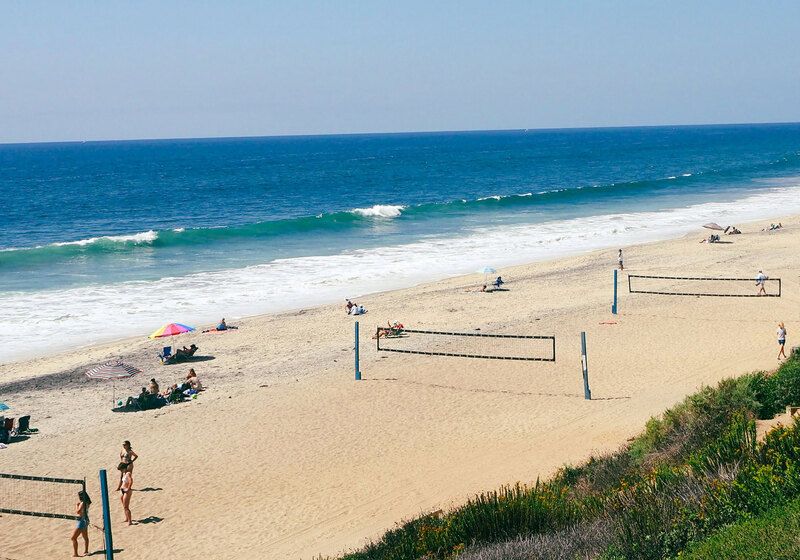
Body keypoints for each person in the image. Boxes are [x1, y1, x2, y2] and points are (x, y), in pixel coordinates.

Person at [70, 490, 91, 557]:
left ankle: (76, 554)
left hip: (81, 521)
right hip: (85, 519)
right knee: (85, 537)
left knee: (73, 538)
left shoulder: (82, 503)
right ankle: (86, 551)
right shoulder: (87, 502)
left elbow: (78, 512)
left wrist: (77, 506)